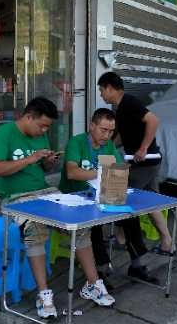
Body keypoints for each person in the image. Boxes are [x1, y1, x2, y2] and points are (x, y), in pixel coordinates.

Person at [0, 97, 114, 319]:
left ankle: (93, 284)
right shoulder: (3, 134)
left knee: (80, 224)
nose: (44, 130)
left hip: (45, 191)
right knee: (35, 229)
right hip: (15, 197)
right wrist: (29, 159)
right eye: (42, 125)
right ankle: (44, 294)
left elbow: (42, 167)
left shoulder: (41, 135)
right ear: (28, 117)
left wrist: (48, 162)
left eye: (47, 127)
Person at [58, 108, 151, 282]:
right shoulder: (76, 143)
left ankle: (136, 264)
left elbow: (117, 168)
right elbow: (72, 172)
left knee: (130, 216)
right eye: (103, 130)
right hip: (75, 198)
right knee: (95, 223)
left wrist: (120, 170)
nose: (107, 135)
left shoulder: (108, 146)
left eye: (111, 131)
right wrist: (103, 172)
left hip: (100, 195)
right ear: (91, 126)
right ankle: (100, 271)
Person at [98, 72, 173, 265]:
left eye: (101, 90)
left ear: (109, 87)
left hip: (144, 161)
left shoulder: (129, 102)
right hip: (146, 162)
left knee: (118, 193)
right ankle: (167, 241)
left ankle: (123, 239)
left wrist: (143, 148)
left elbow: (153, 120)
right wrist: (109, 146)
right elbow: (125, 134)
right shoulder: (120, 108)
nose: (101, 95)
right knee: (150, 201)